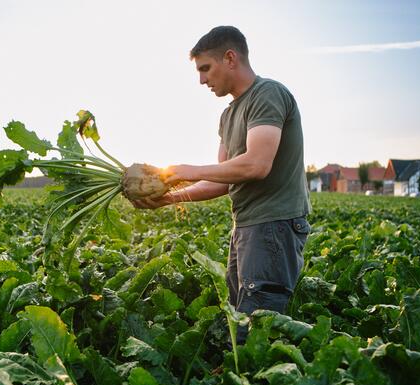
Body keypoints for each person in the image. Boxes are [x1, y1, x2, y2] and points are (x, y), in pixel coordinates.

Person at [132, 26, 312, 344]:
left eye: (205, 68)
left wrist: (187, 169)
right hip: (245, 227)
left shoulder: (267, 94)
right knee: (239, 318)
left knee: (258, 329)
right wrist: (171, 197)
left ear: (230, 58)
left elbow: (257, 164)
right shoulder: (229, 115)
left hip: (273, 225)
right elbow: (222, 181)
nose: (202, 80)